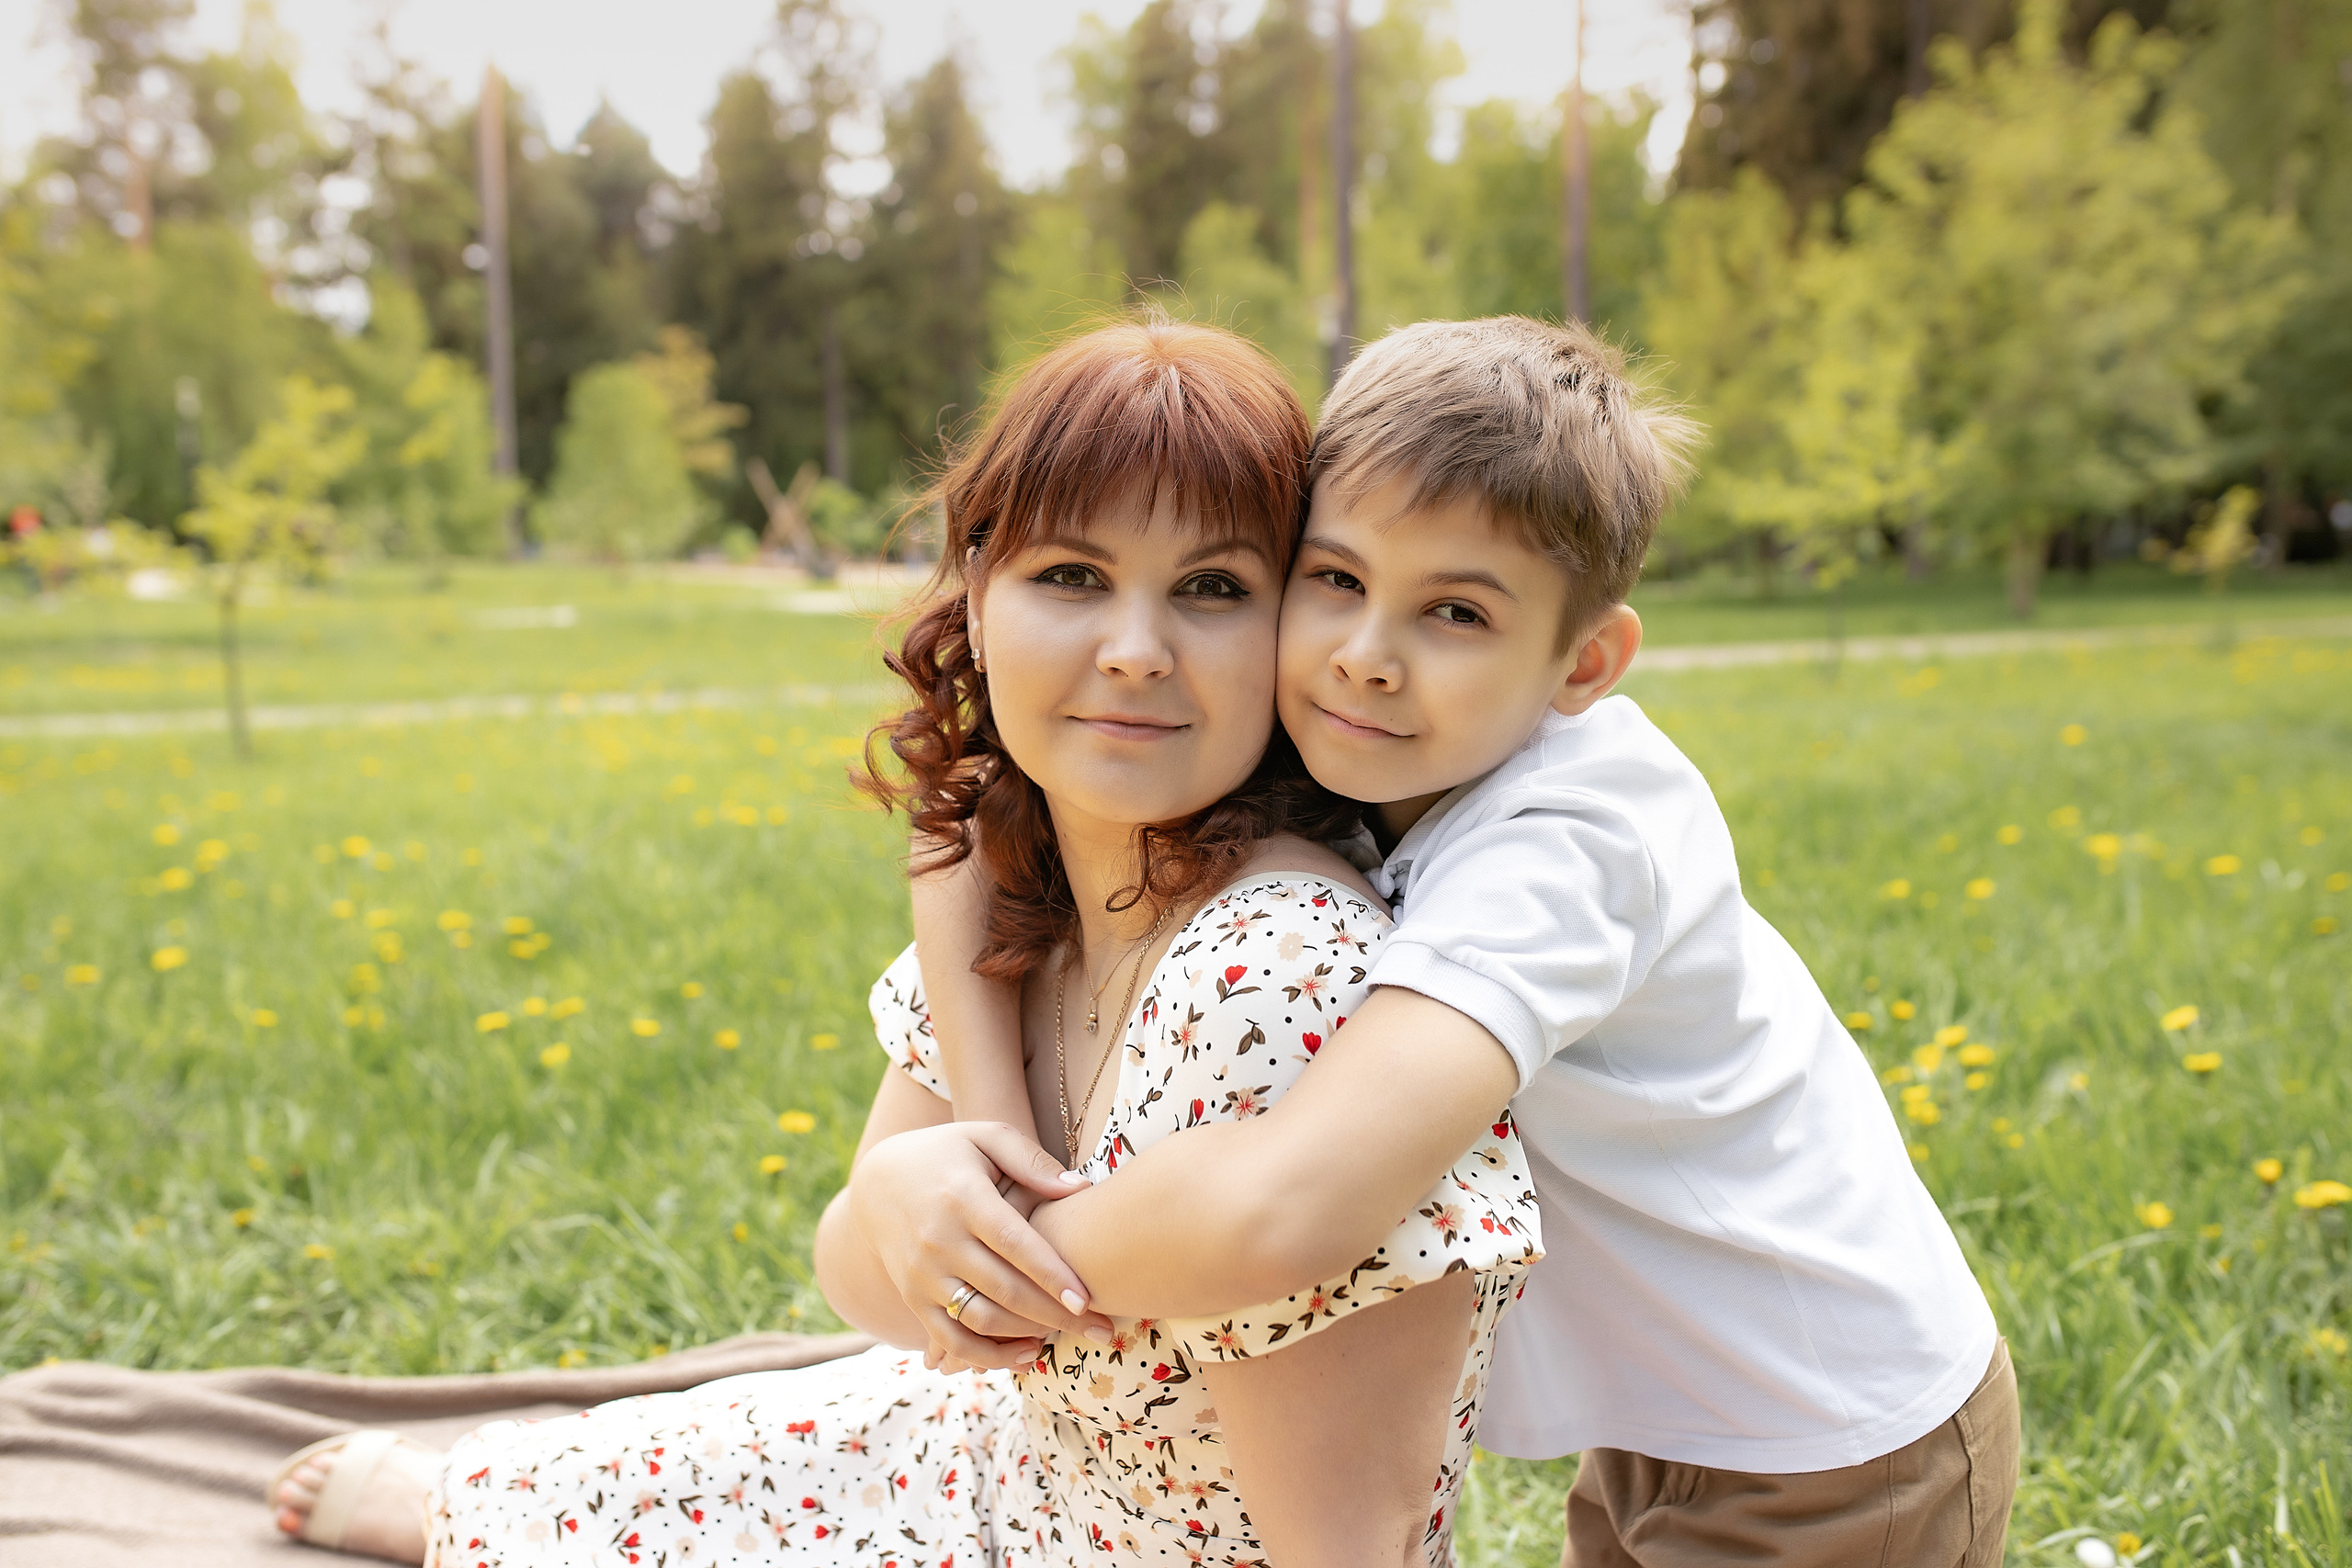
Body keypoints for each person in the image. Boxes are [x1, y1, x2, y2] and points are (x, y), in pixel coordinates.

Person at [264, 318, 1540, 1568]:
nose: (1135, 652)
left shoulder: (1271, 974)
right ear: (978, 595)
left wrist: (956, 1245)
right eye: (1072, 577)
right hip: (1016, 1463)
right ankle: (480, 1502)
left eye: (1212, 589)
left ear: (1291, 633)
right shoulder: (1038, 889)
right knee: (624, 1478)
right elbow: (869, 1288)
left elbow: (1348, 1545)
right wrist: (899, 1192)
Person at [904, 316, 2021, 1567]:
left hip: (1836, 1442)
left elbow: (1295, 1203)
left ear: (1584, 661)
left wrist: (1004, 1260)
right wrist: (982, 1130)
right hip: (1672, 1409)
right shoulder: (1384, 755)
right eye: (1335, 581)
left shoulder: (1570, 845)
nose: (1368, 659)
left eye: (1455, 612)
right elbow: (960, 843)